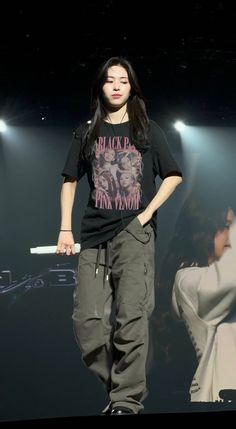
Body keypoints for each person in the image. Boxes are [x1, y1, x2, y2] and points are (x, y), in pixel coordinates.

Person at [56, 56, 182, 415]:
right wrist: (65, 229)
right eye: (109, 80)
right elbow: (68, 180)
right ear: (100, 86)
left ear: (131, 87)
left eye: (123, 81)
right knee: (88, 324)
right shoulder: (86, 132)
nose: (115, 86)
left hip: (134, 233)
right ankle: (122, 391)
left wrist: (146, 213)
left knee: (132, 319)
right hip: (93, 236)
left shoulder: (148, 129)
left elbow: (172, 174)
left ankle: (126, 403)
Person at [164, 191, 236, 402]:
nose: (231, 234)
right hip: (223, 395)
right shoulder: (187, 280)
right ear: (203, 230)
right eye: (225, 225)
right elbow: (228, 280)